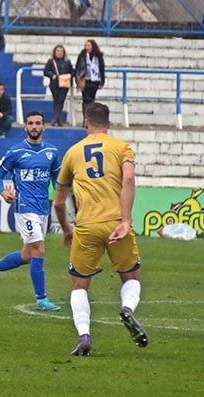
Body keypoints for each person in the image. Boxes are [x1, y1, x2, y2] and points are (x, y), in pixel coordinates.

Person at [53, 102, 148, 356]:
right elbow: (128, 179)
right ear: (109, 123)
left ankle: (84, 335)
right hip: (116, 224)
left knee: (79, 285)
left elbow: (59, 201)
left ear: (86, 123)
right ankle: (127, 308)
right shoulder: (121, 147)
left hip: (86, 226)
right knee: (131, 277)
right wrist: (125, 220)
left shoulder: (72, 152)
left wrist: (65, 229)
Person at [0, 111, 61, 312]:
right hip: (24, 207)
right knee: (39, 249)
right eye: (30, 123)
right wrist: (2, 192)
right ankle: (41, 299)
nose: (34, 126)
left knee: (28, 255)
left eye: (38, 123)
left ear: (43, 127)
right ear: (25, 127)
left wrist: (61, 197)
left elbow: (57, 180)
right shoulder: (15, 152)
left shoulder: (52, 152)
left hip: (43, 208)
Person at [44, 44, 74, 127]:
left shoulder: (67, 62)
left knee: (61, 101)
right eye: (58, 51)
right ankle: (57, 118)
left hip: (64, 84)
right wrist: (52, 75)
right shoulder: (51, 61)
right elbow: (45, 71)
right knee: (56, 100)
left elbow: (72, 71)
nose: (59, 53)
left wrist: (69, 75)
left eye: (61, 51)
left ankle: (56, 118)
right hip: (54, 84)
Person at [75, 39, 105, 116]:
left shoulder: (98, 56)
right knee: (85, 99)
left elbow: (101, 69)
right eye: (86, 45)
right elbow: (78, 68)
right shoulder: (82, 56)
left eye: (88, 45)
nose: (87, 47)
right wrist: (77, 80)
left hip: (95, 80)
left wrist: (102, 81)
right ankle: (85, 117)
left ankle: (90, 117)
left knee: (92, 99)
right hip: (85, 80)